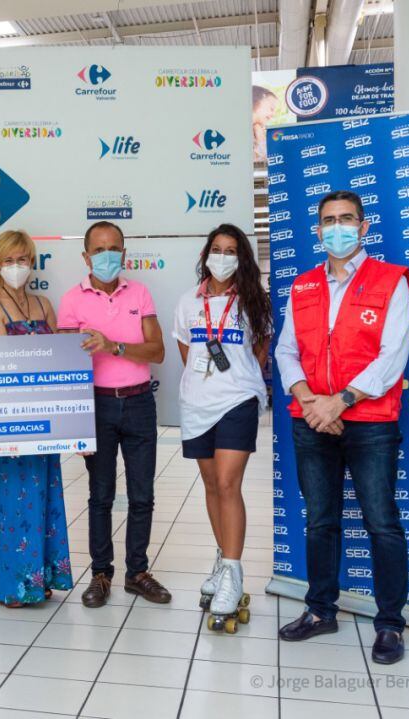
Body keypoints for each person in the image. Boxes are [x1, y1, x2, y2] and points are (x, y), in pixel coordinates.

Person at [274, 190, 409, 665]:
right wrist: (311, 401)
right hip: (312, 418)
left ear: (364, 226)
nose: (337, 227)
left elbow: (391, 358)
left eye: (346, 219)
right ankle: (320, 611)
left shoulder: (390, 280)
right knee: (320, 521)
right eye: (329, 220)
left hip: (369, 422)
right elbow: (286, 351)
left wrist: (341, 401)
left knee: (382, 523)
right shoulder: (304, 285)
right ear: (317, 230)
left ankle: (390, 625)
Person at [57, 220, 170, 609]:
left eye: (114, 248)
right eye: (99, 249)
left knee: (143, 495)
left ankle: (137, 572)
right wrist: (75, 423)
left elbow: (156, 351)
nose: (108, 256)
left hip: (139, 403)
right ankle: (100, 573)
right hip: (96, 406)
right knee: (100, 495)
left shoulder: (140, 292)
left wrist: (115, 346)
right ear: (86, 256)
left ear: (123, 253)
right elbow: (65, 367)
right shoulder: (72, 300)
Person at [172, 224, 270, 631]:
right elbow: (186, 348)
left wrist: (239, 384)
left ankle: (232, 571)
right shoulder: (187, 302)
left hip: (238, 402)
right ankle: (222, 555)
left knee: (229, 484)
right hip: (197, 404)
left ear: (242, 258)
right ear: (205, 255)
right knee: (211, 486)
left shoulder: (252, 302)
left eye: (232, 250)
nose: (223, 256)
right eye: (217, 249)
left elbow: (259, 352)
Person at [0, 230, 72, 607]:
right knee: (14, 502)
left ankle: (43, 577)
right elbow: (2, 365)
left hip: (46, 418)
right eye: (9, 260)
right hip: (12, 418)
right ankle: (16, 585)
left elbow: (61, 355)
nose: (16, 267)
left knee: (45, 498)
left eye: (23, 260)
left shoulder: (44, 304)